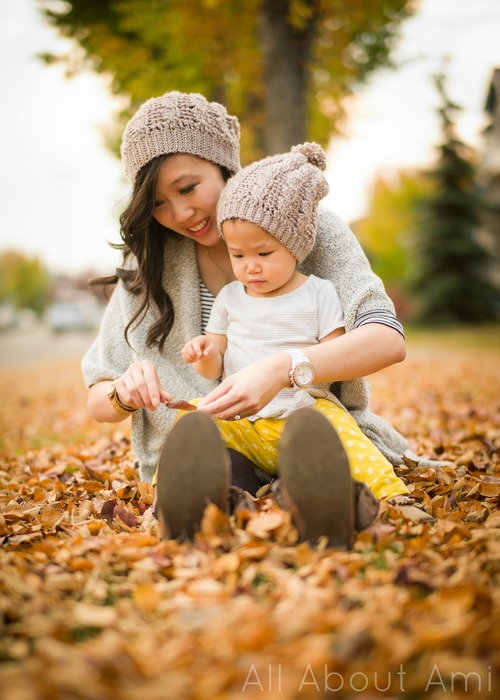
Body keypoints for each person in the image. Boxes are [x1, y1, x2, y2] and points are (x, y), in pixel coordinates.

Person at [82, 90, 413, 512]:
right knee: (210, 472)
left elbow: (387, 339)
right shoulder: (149, 259)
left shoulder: (305, 225)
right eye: (159, 203)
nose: (180, 213)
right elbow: (99, 396)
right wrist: (123, 394)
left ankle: (313, 501)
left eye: (188, 188)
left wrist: (284, 368)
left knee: (310, 455)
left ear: (224, 166)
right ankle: (206, 511)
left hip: (303, 423)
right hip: (216, 442)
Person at [154, 143, 410, 546]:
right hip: (242, 419)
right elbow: (214, 368)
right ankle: (200, 503)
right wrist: (204, 353)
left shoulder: (318, 294)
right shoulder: (230, 299)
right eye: (237, 254)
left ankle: (366, 500)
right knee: (194, 427)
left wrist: (288, 369)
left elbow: (335, 359)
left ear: (296, 246)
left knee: (341, 444)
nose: (249, 265)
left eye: (264, 252)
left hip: (303, 414)